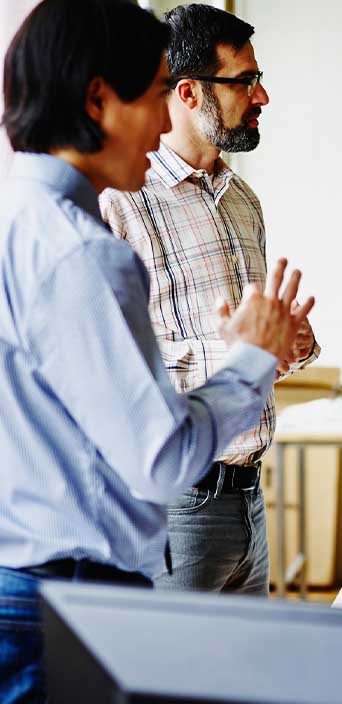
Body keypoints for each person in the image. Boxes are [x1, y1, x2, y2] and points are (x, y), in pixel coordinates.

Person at [0, 0, 312, 699]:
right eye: (154, 95)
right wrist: (251, 361)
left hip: (38, 577)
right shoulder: (85, 250)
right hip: (73, 582)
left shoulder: (18, 219)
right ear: (97, 99)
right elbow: (161, 457)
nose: (162, 116)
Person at [100, 3, 318, 595]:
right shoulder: (119, 200)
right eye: (246, 80)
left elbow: (258, 349)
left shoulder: (243, 199)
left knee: (244, 682)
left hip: (249, 495)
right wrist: (244, 353)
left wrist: (287, 344)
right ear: (191, 92)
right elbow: (116, 368)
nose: (263, 96)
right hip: (175, 501)